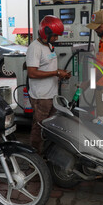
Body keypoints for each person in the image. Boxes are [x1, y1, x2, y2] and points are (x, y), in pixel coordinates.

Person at [26, 15, 71, 154]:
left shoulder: (49, 46)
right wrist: (56, 73)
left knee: (49, 128)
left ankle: (45, 155)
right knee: (39, 127)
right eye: (55, 35)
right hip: (41, 97)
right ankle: (34, 159)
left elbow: (48, 67)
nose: (57, 38)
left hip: (51, 95)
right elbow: (32, 73)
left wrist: (60, 73)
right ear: (47, 33)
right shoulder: (35, 48)